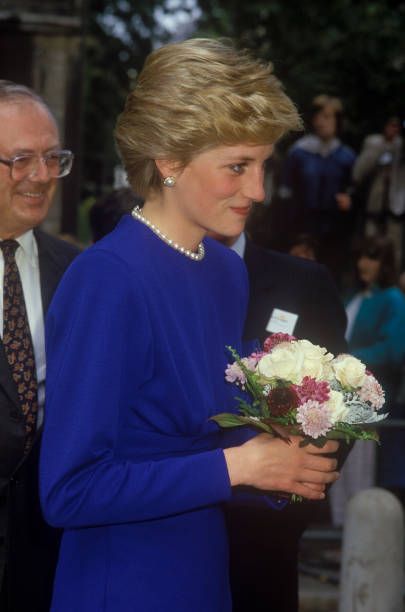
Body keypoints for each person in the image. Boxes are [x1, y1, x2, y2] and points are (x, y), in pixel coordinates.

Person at [39, 38, 340, 612]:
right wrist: (239, 464)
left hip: (204, 572)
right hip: (121, 584)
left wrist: (282, 459)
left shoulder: (226, 271)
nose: (257, 190)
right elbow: (69, 491)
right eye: (237, 167)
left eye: (262, 166)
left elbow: (204, 436)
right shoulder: (106, 280)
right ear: (169, 161)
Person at [211, 227, 347, 612]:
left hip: (263, 553)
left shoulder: (303, 282)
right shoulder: (153, 279)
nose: (255, 189)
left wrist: (284, 517)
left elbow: (344, 403)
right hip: (165, 541)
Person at [0, 81, 80, 611]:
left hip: (44, 560)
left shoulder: (78, 271)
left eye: (53, 158)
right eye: (22, 159)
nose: (43, 176)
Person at [329, 235, 405, 525]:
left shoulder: (393, 299)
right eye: (362, 255)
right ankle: (341, 531)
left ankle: (357, 532)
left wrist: (345, 358)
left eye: (372, 257)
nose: (364, 263)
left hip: (370, 396)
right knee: (342, 467)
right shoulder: (353, 295)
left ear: (385, 263)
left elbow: (393, 349)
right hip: (341, 394)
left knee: (360, 469)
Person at [278, 94, 356, 281]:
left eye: (328, 117)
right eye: (318, 116)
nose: (322, 122)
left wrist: (350, 201)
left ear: (338, 121)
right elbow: (284, 194)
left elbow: (354, 193)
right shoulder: (299, 153)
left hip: (332, 233)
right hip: (300, 228)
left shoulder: (346, 157)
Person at [352, 117, 405, 264]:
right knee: (369, 250)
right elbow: (357, 173)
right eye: (392, 125)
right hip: (372, 210)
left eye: (398, 126)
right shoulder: (374, 143)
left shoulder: (401, 146)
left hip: (395, 213)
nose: (395, 129)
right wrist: (382, 146)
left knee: (394, 255)